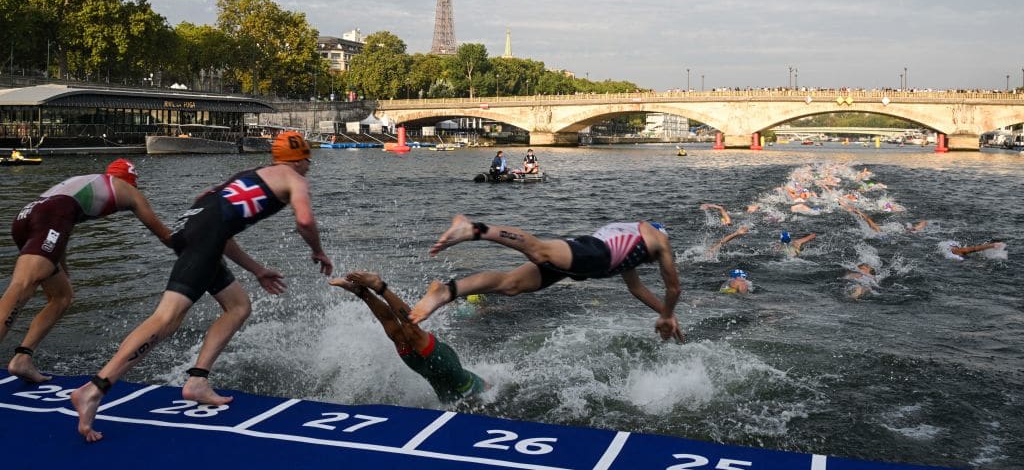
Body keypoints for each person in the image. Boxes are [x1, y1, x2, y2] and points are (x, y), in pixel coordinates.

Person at [71, 131, 334, 442]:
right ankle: (95, 388)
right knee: (165, 319)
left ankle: (197, 381)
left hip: (191, 229)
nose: (309, 167)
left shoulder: (247, 176)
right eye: (308, 161)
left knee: (238, 307)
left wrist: (258, 270)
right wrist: (317, 249)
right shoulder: (295, 179)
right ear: (301, 159)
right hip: (204, 240)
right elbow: (304, 221)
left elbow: (213, 219)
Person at [0, 159, 172, 384]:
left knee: (62, 296)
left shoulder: (84, 182)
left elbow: (60, 226)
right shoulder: (128, 190)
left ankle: (23, 358)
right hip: (50, 217)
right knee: (22, 286)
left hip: (27, 215)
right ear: (131, 181)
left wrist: (62, 268)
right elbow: (164, 234)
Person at [409, 215, 683, 342]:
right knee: (538, 251)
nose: (652, 262)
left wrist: (665, 314)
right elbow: (674, 288)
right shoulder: (659, 240)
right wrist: (667, 313)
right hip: (592, 255)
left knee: (510, 285)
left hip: (588, 262)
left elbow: (636, 288)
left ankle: (446, 291)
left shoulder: (632, 250)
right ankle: (474, 229)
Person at [330, 271, 486, 403]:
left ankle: (361, 291)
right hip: (446, 364)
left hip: (424, 369)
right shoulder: (487, 395)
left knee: (397, 334)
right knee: (411, 329)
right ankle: (379, 286)